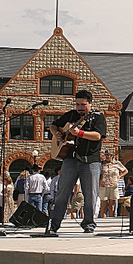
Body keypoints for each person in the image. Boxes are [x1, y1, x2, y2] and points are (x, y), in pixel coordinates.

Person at [49, 89, 107, 233]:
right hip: (71, 159)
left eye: (83, 104)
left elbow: (98, 136)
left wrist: (80, 133)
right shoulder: (71, 115)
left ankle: (88, 223)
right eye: (78, 104)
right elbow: (53, 125)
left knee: (90, 194)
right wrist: (56, 133)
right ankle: (54, 224)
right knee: (62, 192)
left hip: (90, 160)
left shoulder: (97, 117)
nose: (80, 107)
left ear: (90, 104)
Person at [98, 151, 127, 218]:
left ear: (112, 156)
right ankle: (103, 219)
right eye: (106, 155)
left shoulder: (116, 163)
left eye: (109, 155)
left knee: (112, 205)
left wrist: (119, 176)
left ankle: (111, 218)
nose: (107, 156)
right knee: (104, 205)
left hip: (113, 186)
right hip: (103, 185)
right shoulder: (102, 164)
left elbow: (125, 171)